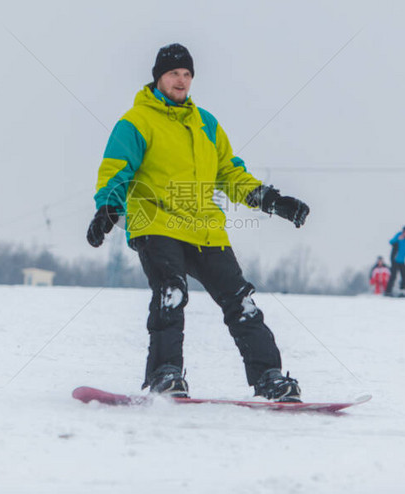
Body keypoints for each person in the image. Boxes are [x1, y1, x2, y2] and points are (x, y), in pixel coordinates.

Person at [87, 43, 310, 402]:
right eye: (174, 73)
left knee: (242, 301)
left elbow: (229, 174)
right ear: (159, 77)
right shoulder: (136, 122)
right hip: (156, 223)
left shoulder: (206, 123)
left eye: (187, 74)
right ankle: (165, 374)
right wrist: (108, 209)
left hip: (205, 229)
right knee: (171, 293)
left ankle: (269, 377)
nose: (181, 80)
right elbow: (116, 169)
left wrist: (271, 200)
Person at [386, 226, 405, 296]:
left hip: (402, 260)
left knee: (404, 276)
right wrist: (398, 239)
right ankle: (388, 291)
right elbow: (391, 242)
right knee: (393, 275)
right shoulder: (398, 236)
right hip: (395, 259)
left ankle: (402, 290)